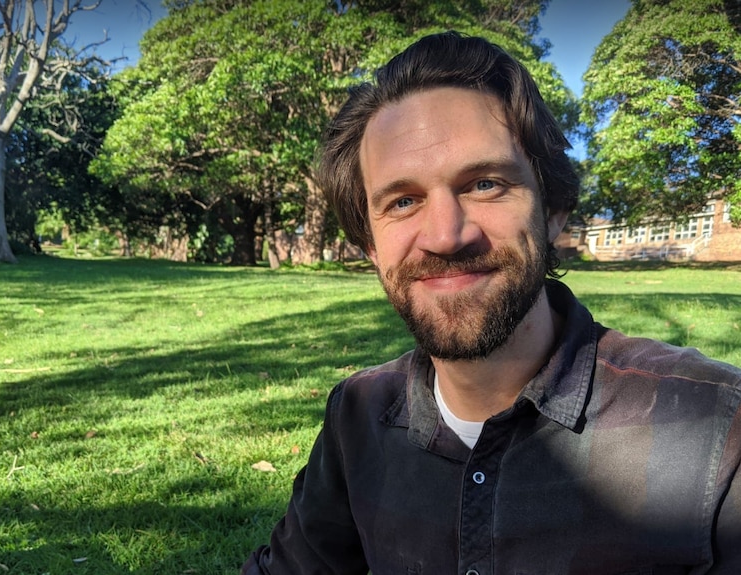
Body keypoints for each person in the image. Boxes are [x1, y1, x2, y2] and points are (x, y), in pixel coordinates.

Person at [242, 30, 741, 575]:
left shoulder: (716, 432)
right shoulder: (356, 418)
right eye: (403, 201)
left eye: (484, 184)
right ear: (371, 246)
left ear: (554, 210)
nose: (445, 235)